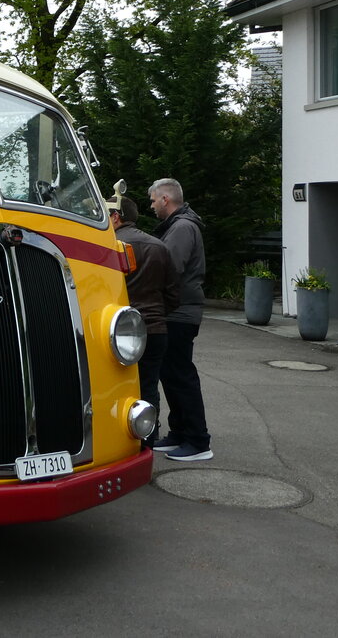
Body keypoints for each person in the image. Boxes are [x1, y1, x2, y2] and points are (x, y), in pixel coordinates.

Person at [148, 177, 211, 462]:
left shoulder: (182, 227)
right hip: (177, 311)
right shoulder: (178, 226)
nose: (151, 206)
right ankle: (179, 433)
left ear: (165, 199)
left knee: (180, 375)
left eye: (153, 200)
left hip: (180, 313)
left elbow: (169, 267)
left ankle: (198, 441)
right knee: (171, 374)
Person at [108, 194, 179, 446]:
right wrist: (158, 313)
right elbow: (173, 293)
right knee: (149, 385)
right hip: (155, 327)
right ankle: (148, 437)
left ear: (116, 217)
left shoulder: (109, 245)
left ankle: (119, 442)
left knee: (114, 387)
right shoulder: (159, 246)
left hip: (119, 331)